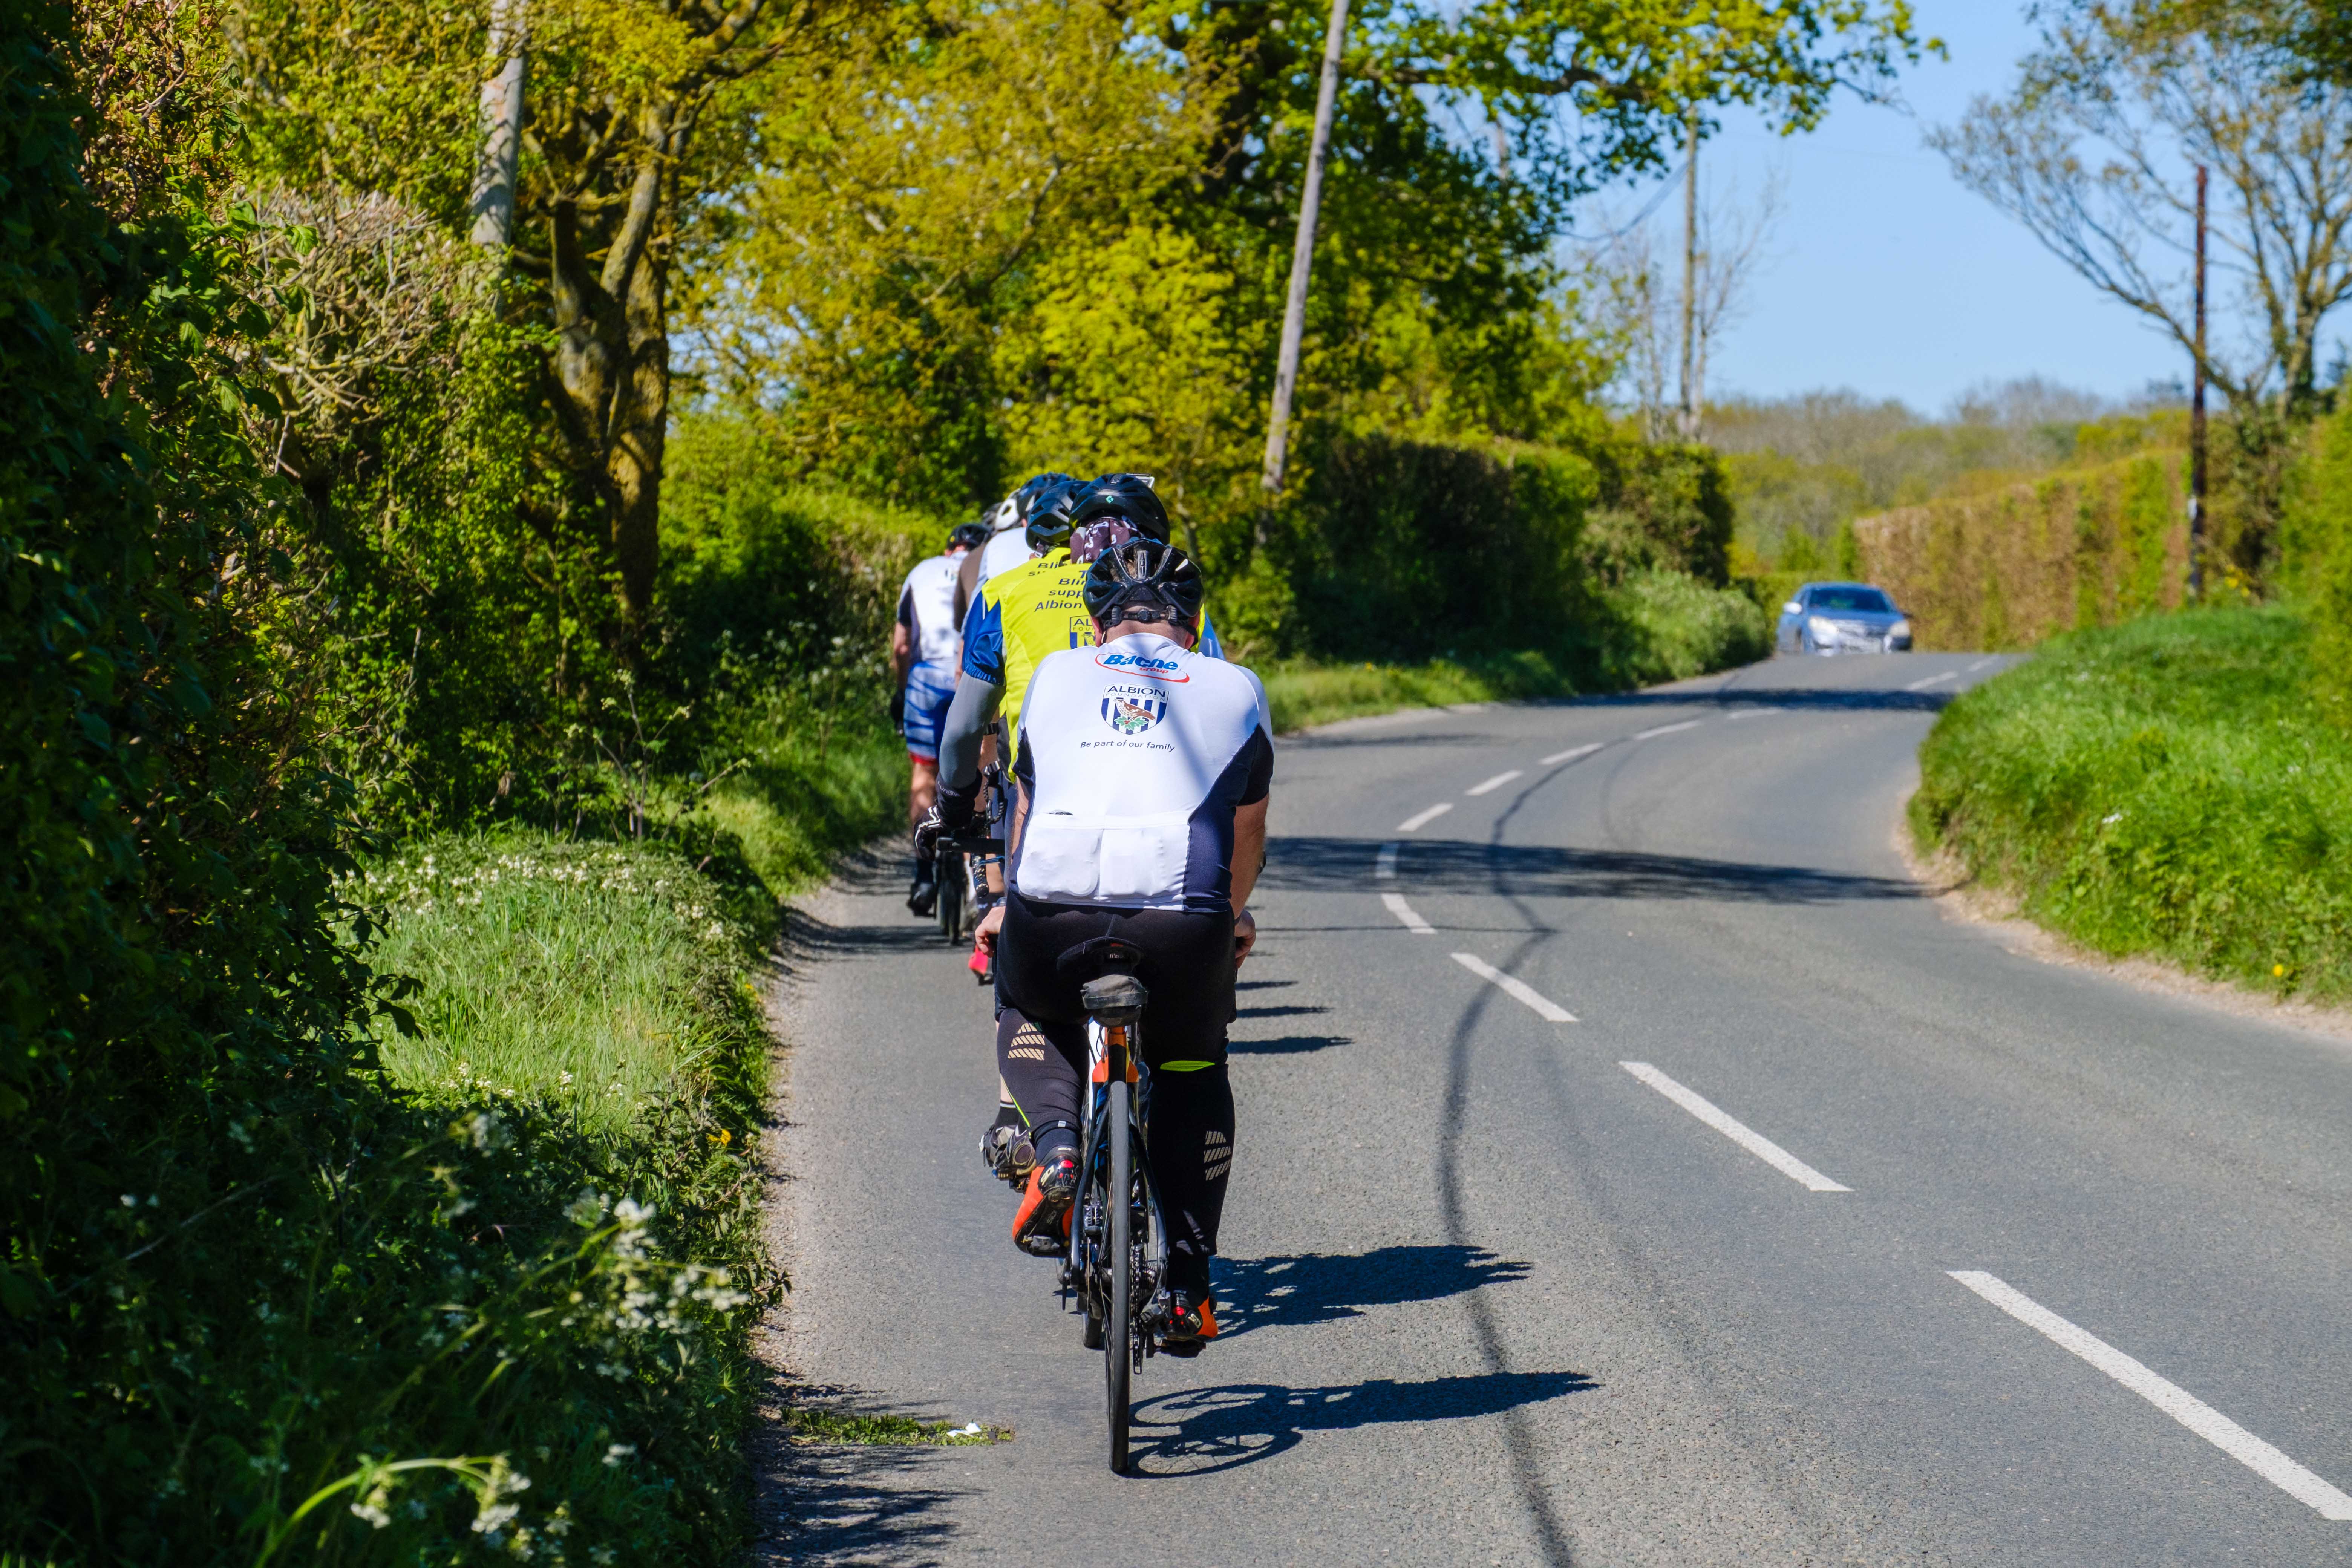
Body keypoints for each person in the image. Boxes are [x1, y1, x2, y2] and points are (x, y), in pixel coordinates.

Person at [968, 539, 1271, 1355]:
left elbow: (1029, 805)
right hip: (1183, 914)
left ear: (1098, 626)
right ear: (1196, 622)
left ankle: (1059, 1145)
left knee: (1028, 1001)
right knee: (1193, 1065)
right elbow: (1247, 830)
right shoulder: (1237, 686)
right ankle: (1189, 1285)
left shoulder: (1061, 678)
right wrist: (1232, 918)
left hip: (1054, 903)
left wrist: (1004, 904)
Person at [933, 473, 1167, 1163]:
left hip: (1039, 798)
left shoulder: (1005, 593)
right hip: (1160, 810)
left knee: (1022, 952)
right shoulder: (1177, 600)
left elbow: (962, 731)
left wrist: (955, 805)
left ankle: (1022, 1115)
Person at [893, 520, 989, 914]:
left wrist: (901, 695)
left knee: (924, 774)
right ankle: (976, 883)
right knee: (979, 771)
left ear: (949, 548)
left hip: (926, 680)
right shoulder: (988, 567)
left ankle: (923, 875)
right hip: (970, 675)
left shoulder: (921, 570)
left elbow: (902, 647)